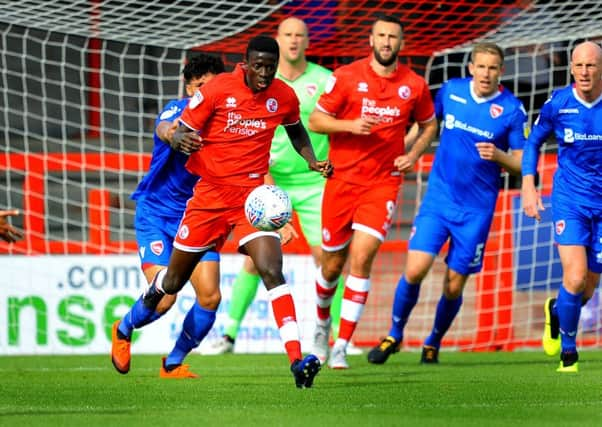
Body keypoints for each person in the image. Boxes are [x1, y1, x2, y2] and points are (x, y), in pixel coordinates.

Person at [123, 35, 332, 388]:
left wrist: (312, 160)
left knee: (271, 269)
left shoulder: (283, 96)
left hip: (251, 199)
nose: (265, 74)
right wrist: (178, 139)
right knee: (171, 284)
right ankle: (127, 324)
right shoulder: (218, 89)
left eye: (271, 67)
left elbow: (296, 131)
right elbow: (179, 128)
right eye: (259, 66)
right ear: (246, 64)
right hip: (207, 198)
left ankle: (297, 361)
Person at [204, 17, 359, 356]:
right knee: (255, 259)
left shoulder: (323, 80)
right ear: (277, 39)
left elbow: (330, 122)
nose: (293, 40)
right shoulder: (253, 83)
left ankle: (334, 337)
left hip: (314, 182)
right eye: (287, 34)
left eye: (299, 35)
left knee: (328, 258)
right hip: (268, 178)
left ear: (307, 42)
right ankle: (228, 335)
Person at [367, 42, 527, 365]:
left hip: (476, 212)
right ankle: (394, 335)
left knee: (453, 285)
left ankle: (433, 341)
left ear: (501, 72)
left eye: (492, 68)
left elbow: (524, 165)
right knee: (415, 269)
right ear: (471, 68)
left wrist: (498, 156)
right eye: (480, 66)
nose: (485, 73)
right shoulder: (451, 91)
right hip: (439, 200)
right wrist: (400, 148)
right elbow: (426, 125)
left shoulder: (512, 110)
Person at [308, 13, 438, 369]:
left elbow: (429, 124)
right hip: (341, 182)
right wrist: (350, 125)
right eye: (380, 36)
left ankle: (341, 345)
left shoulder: (414, 84)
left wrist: (413, 153)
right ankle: (320, 326)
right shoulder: (346, 77)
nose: (386, 42)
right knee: (332, 265)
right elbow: (315, 120)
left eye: (392, 37)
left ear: (401, 43)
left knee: (362, 258)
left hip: (381, 184)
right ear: (370, 40)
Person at [111, 54, 225, 377]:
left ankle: (173, 362)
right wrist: (174, 136)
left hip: (199, 216)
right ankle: (123, 328)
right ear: (190, 88)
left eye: (213, 84)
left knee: (210, 297)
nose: (207, 91)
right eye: (200, 86)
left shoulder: (228, 123)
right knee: (165, 298)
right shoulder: (178, 111)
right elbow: (165, 127)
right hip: (157, 215)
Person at [522, 41, 602, 373]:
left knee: (588, 286)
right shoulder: (558, 102)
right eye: (579, 65)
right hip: (569, 200)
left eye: (591, 66)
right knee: (575, 275)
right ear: (570, 67)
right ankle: (568, 351)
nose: (584, 72)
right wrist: (529, 184)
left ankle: (556, 310)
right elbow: (533, 141)